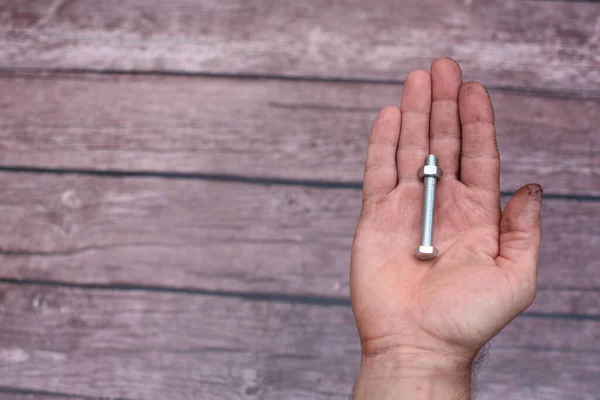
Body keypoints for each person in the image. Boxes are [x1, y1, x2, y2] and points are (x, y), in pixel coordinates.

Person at [350, 58, 543, 399]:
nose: (430, 171)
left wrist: (417, 356)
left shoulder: (432, 183)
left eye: (431, 170)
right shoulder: (429, 183)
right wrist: (418, 357)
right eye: (429, 170)